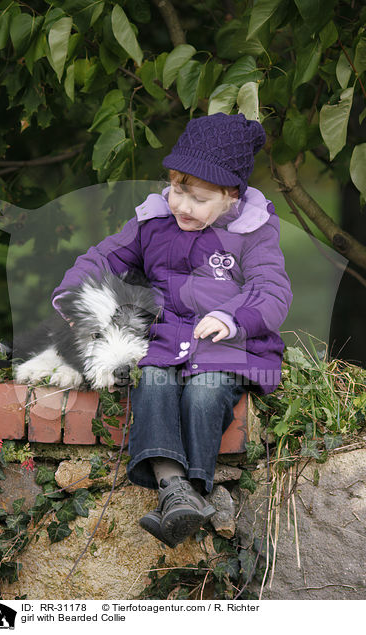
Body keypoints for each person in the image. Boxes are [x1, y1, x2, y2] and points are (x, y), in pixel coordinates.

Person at [51, 113, 293, 548]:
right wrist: (75, 297)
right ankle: (173, 489)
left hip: (228, 347)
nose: (181, 204)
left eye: (197, 198)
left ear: (230, 196)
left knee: (205, 392)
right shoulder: (153, 223)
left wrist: (231, 316)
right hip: (166, 343)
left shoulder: (252, 232)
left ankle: (193, 489)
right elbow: (101, 259)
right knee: (154, 383)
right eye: (177, 189)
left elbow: (270, 290)